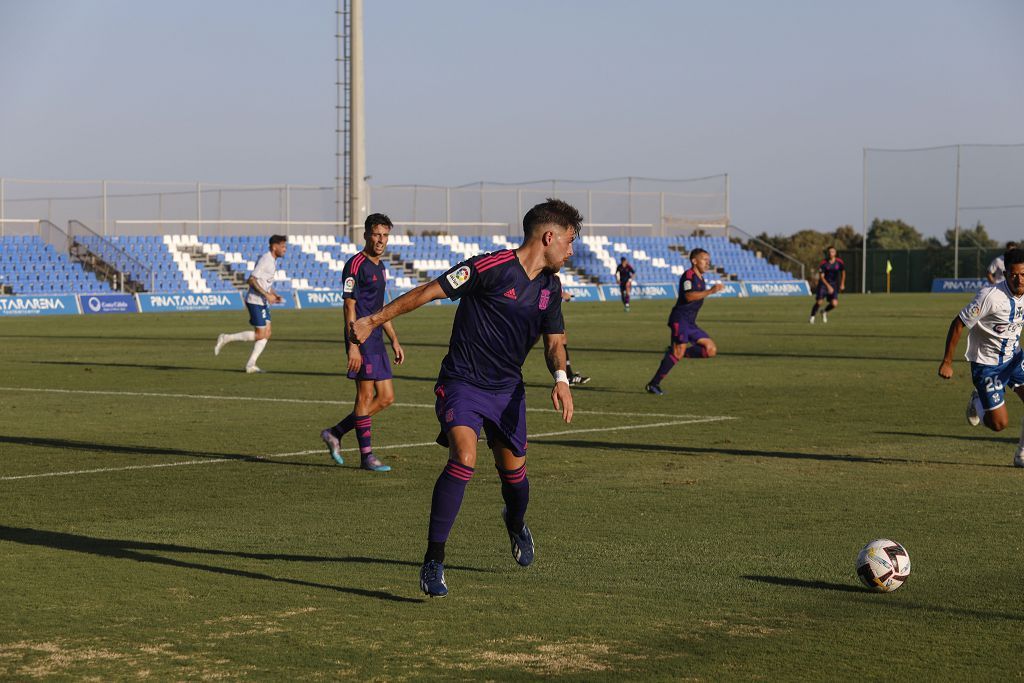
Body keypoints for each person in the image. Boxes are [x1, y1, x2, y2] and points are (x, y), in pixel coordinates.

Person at [349, 198, 580, 598]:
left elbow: (555, 343)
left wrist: (561, 377)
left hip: (508, 391)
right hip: (462, 382)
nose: (571, 250)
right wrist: (373, 320)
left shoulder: (550, 289)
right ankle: (433, 561)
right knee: (464, 457)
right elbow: (429, 291)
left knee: (516, 481)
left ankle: (514, 521)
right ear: (549, 237)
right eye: (570, 241)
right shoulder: (490, 267)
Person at [320, 214, 403, 472]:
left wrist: (395, 339)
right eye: (377, 234)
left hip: (377, 338)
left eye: (385, 235)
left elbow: (380, 309)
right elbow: (349, 305)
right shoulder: (355, 264)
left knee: (386, 397)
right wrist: (353, 344)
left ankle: (335, 432)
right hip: (361, 339)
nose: (381, 240)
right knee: (365, 396)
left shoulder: (381, 266)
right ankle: (367, 456)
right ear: (367, 234)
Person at [939, 248, 1024, 467]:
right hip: (987, 366)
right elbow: (958, 324)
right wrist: (947, 362)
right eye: (1014, 274)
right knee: (999, 424)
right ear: (1005, 275)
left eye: (1023, 274)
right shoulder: (990, 297)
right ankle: (977, 401)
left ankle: (1022, 455)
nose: (1019, 279)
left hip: (1014, 359)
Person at [645, 248, 723, 395]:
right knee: (678, 352)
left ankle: (675, 353)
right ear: (694, 261)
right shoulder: (689, 275)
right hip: (679, 320)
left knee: (710, 349)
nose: (708, 263)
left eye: (708, 260)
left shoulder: (701, 278)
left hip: (690, 323)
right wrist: (711, 291)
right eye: (704, 260)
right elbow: (688, 296)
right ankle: (653, 384)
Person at [214, 234, 287, 373]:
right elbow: (252, 280)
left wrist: (274, 294)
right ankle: (226, 338)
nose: (285, 249)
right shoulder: (266, 259)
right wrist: (266, 295)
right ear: (274, 246)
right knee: (260, 334)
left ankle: (251, 365)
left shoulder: (272, 261)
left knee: (267, 333)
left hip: (263, 301)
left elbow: (264, 281)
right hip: (255, 301)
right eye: (282, 246)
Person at [558, 286, 590, 384]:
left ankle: (568, 375)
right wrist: (561, 294)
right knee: (529, 341)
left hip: (551, 308)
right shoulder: (543, 272)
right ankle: (512, 370)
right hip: (545, 309)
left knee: (562, 340)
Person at [809, 246, 845, 324]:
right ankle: (812, 316)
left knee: (834, 304)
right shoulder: (824, 263)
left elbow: (843, 272)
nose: (830, 253)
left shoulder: (839, 262)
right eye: (829, 252)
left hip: (833, 285)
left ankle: (824, 311)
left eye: (832, 252)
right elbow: (821, 277)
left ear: (835, 253)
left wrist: (842, 283)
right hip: (823, 284)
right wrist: (828, 286)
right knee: (819, 302)